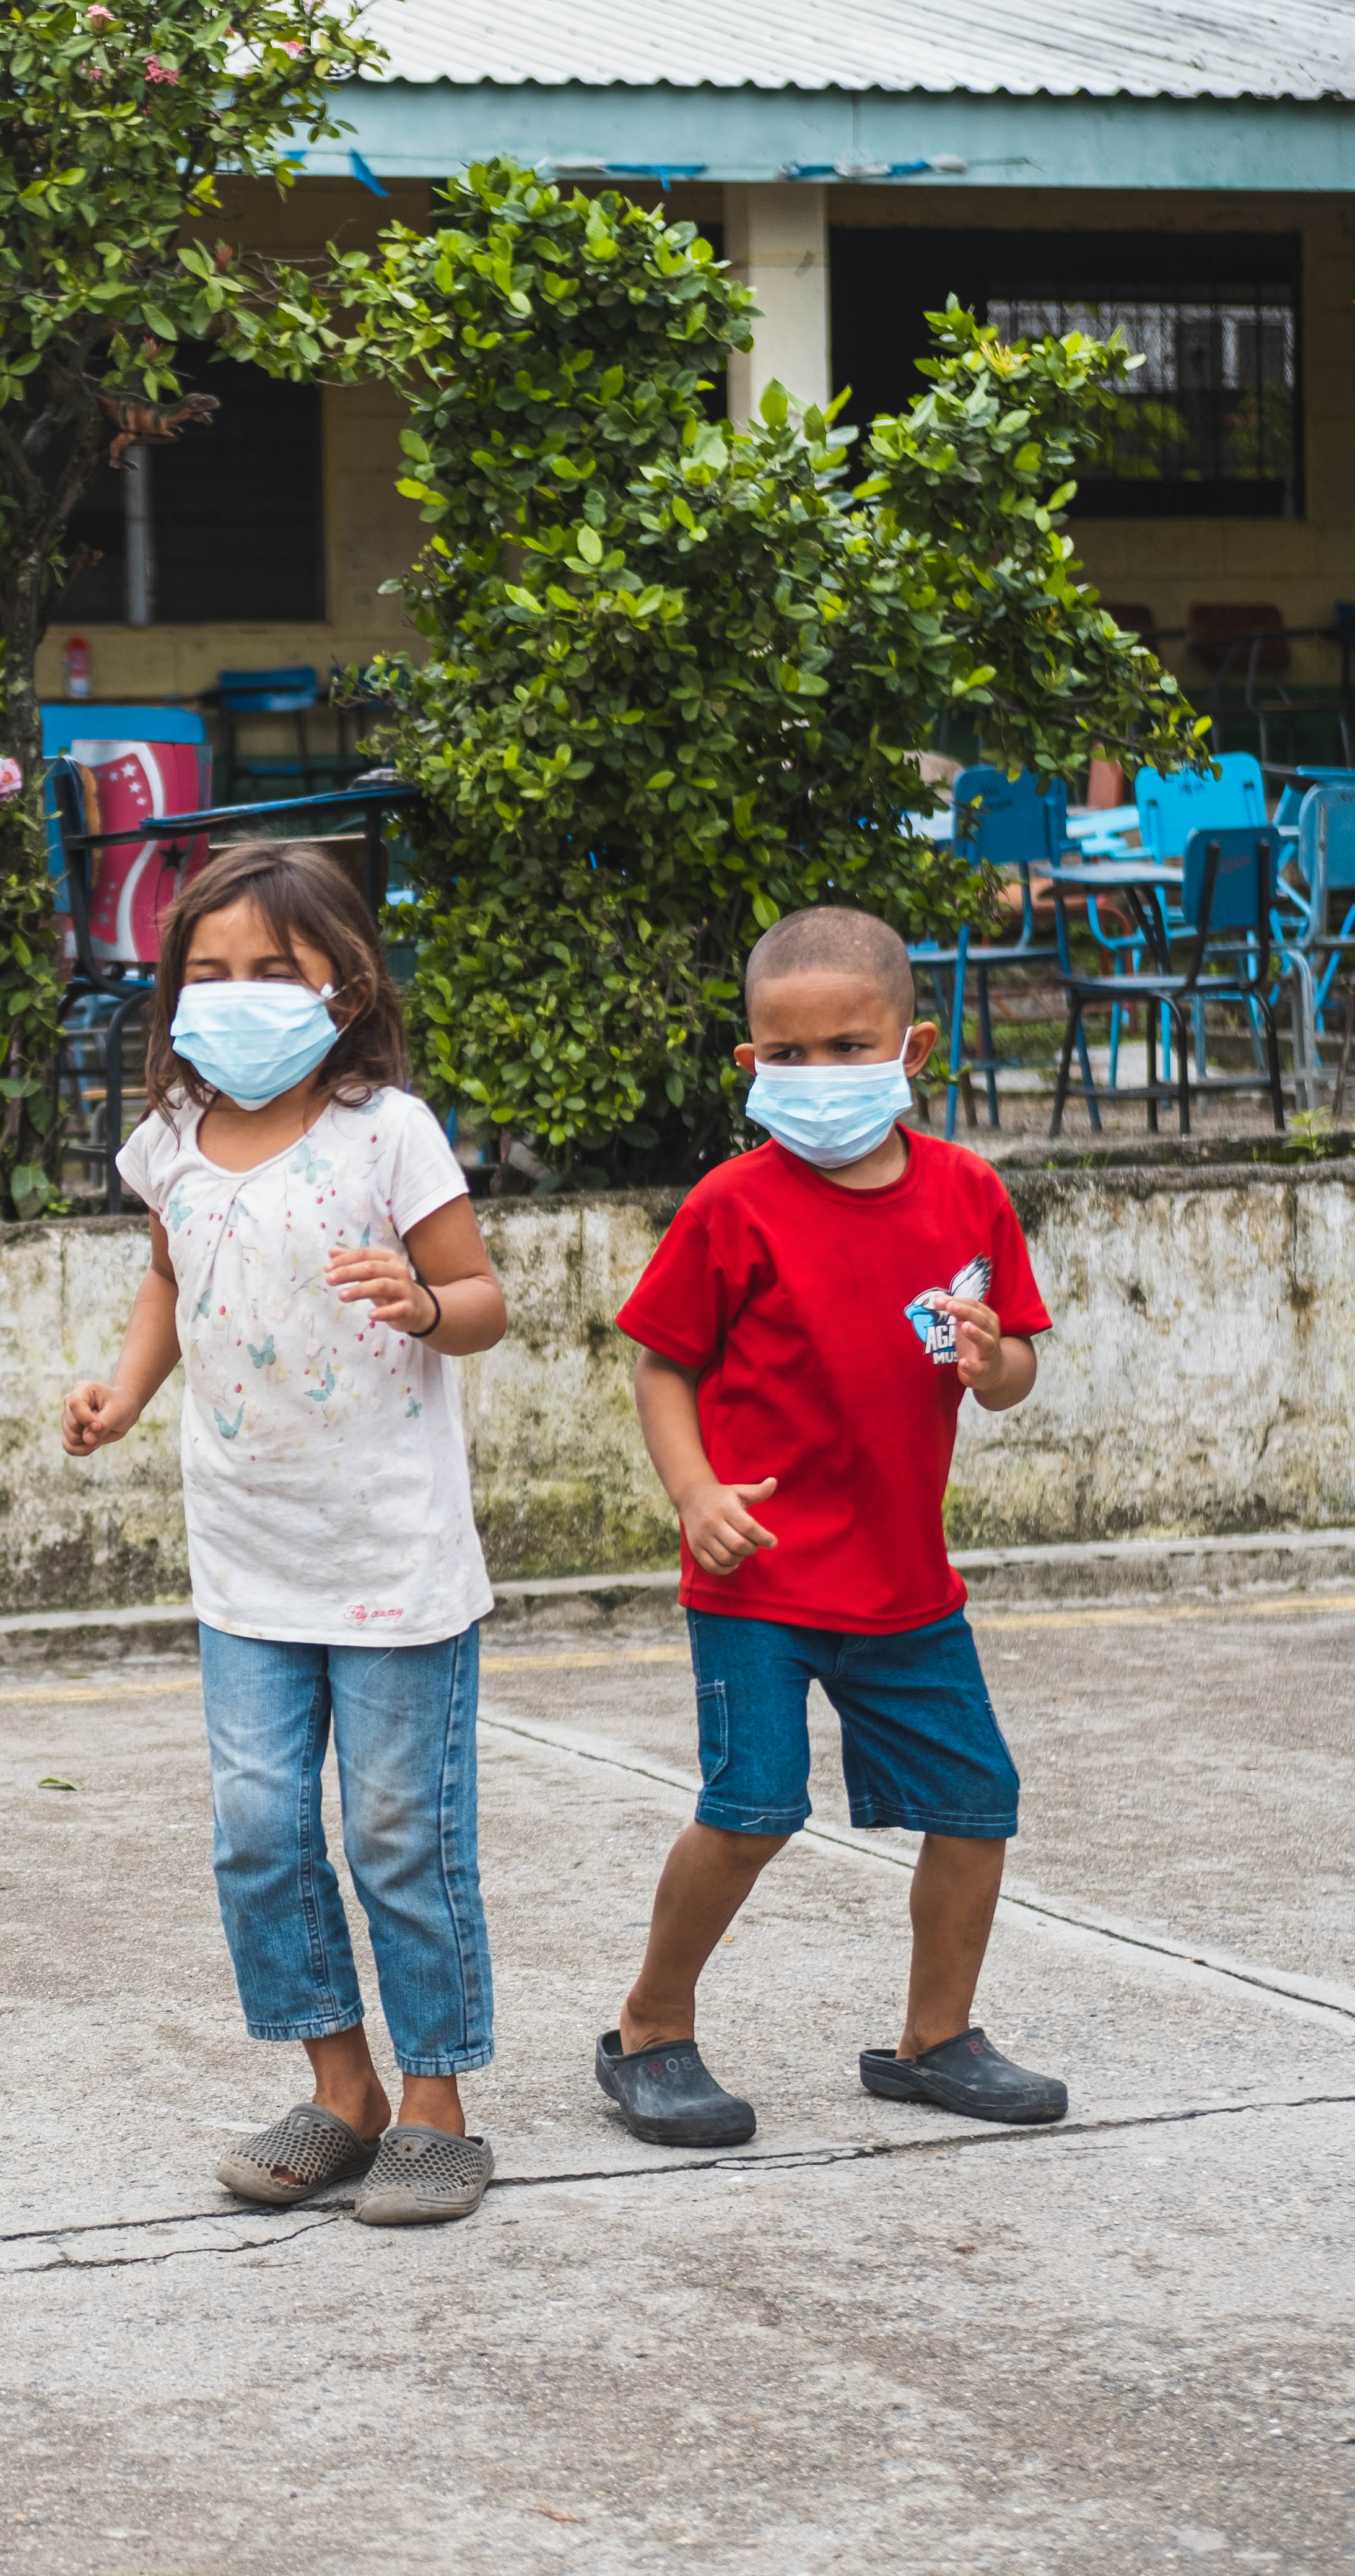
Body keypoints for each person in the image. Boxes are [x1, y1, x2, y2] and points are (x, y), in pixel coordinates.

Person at [59, 842, 512, 2227]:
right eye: (208, 970)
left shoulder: (392, 1133)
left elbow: (484, 1297)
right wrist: (124, 1394)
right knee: (258, 1834)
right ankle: (339, 2090)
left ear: (344, 985)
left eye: (272, 968)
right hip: (246, 1566)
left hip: (392, 1564)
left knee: (396, 1836)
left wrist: (423, 1305)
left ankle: (435, 2104)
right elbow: (164, 1279)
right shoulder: (168, 1146)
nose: (236, 993)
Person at [592, 905, 1061, 2151]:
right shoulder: (732, 1206)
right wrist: (695, 1495)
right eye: (788, 1056)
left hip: (907, 1585)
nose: (818, 1076)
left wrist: (993, 1357)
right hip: (758, 1578)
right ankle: (650, 2026)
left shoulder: (967, 1196)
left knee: (977, 1800)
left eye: (848, 1047)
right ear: (750, 1067)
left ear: (913, 1046)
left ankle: (934, 2039)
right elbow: (659, 1366)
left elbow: (1015, 1373)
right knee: (750, 1806)